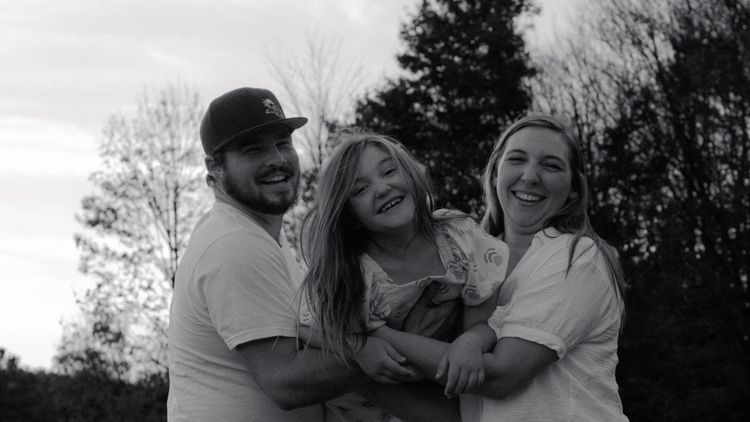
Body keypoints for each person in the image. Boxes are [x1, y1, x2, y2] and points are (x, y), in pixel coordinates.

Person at [370, 115, 629, 421]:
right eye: (517, 159)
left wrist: (369, 336)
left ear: (574, 188)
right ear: (495, 173)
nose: (530, 177)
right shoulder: (464, 264)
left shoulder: (577, 257)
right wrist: (362, 365)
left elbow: (502, 377)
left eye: (551, 166)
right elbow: (456, 407)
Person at [167, 87, 376, 421]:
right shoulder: (235, 243)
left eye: (283, 143)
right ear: (215, 168)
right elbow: (285, 381)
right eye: (254, 150)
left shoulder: (259, 238)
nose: (277, 159)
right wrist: (407, 345)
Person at [298, 131, 510, 421]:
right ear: (349, 216)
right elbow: (306, 326)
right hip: (356, 409)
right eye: (360, 190)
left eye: (389, 171)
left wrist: (472, 341)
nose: (382, 188)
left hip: (430, 396)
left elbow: (483, 322)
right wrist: (359, 346)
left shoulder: (459, 239)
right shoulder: (351, 273)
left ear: (411, 174)